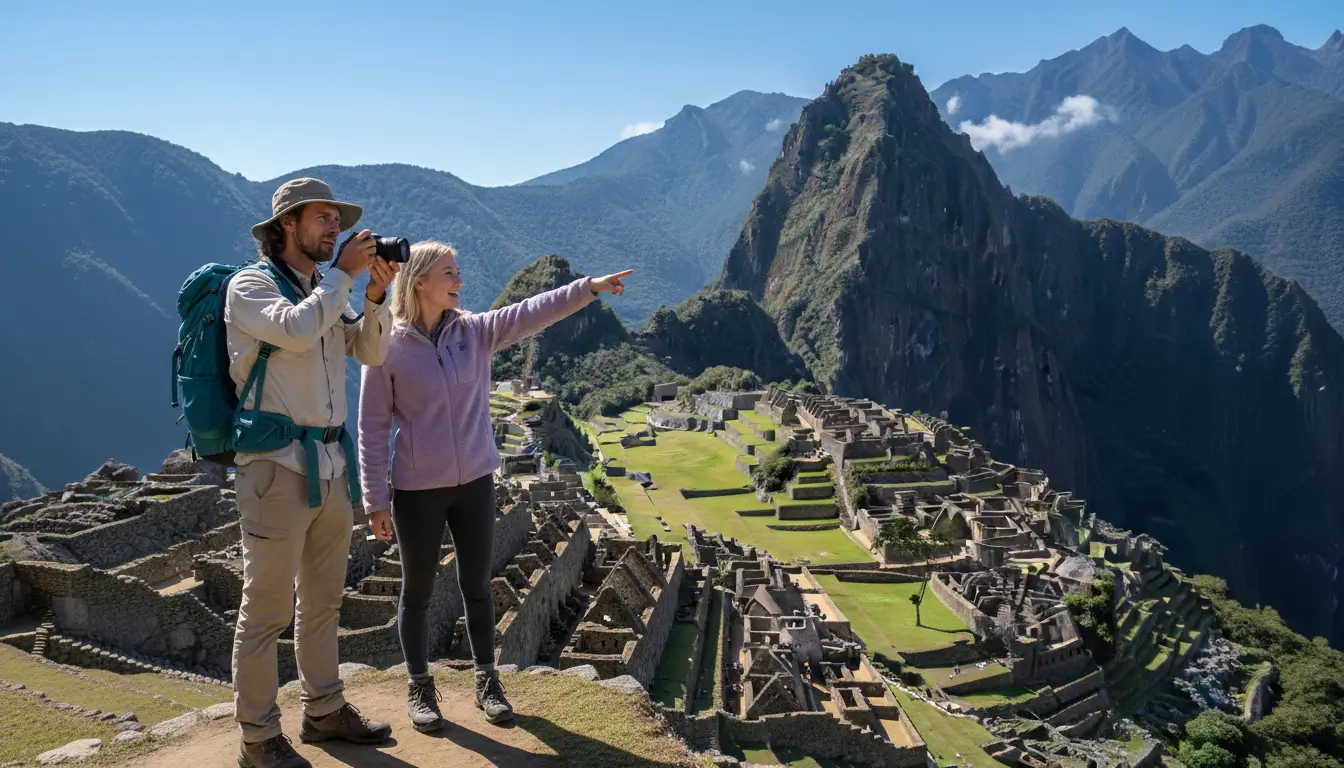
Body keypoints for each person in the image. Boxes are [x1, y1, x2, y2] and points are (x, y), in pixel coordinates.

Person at [357, 240, 632, 732]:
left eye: (458, 271)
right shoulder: (385, 346)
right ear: (419, 282)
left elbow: (531, 313)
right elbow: (373, 426)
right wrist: (375, 499)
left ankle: (488, 681)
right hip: (417, 489)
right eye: (449, 273)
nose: (459, 281)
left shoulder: (474, 333)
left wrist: (586, 289)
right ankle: (420, 687)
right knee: (416, 592)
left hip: (476, 483)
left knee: (477, 586)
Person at [226, 177, 400, 768]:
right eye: (323, 219)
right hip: (275, 469)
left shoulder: (323, 289)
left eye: (337, 220)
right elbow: (297, 330)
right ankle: (258, 737)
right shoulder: (250, 287)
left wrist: (374, 299)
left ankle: (324, 710)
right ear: (287, 225)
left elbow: (369, 352)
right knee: (267, 609)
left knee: (324, 600)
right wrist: (344, 277)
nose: (335, 229)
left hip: (329, 467)